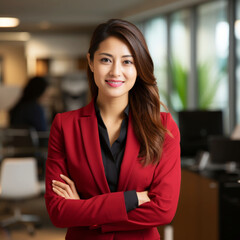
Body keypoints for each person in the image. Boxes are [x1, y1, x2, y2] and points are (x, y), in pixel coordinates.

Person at [45, 19, 181, 240]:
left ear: (139, 67)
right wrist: (131, 199)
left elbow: (164, 210)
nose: (116, 71)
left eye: (127, 62)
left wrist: (86, 212)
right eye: (106, 60)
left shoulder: (162, 126)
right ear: (90, 62)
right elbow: (58, 212)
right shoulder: (64, 126)